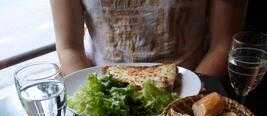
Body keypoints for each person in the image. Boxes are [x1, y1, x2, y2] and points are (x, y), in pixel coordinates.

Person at [50, 0, 248, 76]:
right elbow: (69, 48)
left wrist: (188, 98)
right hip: (104, 89)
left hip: (189, 87)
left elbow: (224, 45)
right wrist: (95, 96)